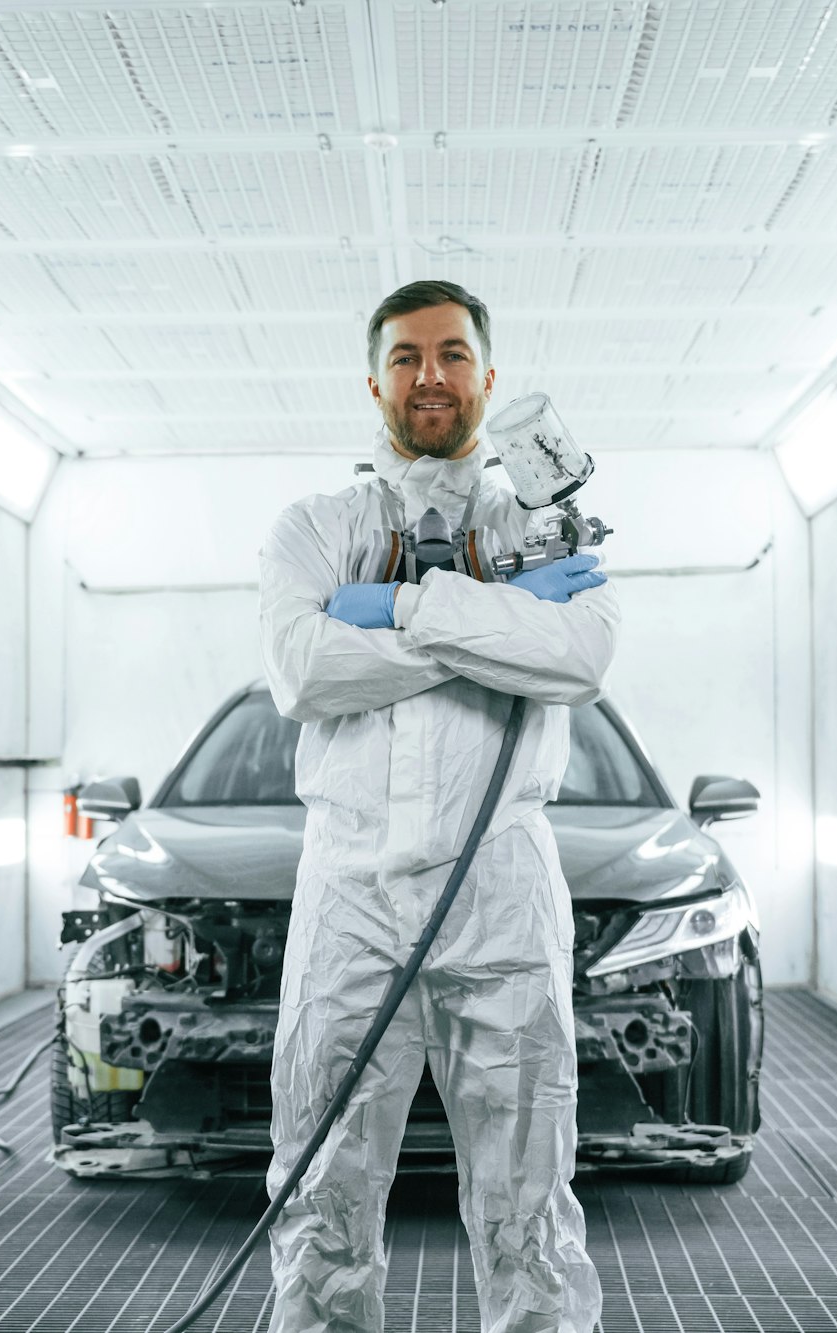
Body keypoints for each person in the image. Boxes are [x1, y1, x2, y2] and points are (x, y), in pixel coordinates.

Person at [258, 279, 617, 1333]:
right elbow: (302, 670)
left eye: (452, 355)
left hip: (499, 890)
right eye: (407, 357)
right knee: (322, 1188)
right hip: (349, 892)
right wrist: (484, 616)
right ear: (373, 379)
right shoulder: (310, 529)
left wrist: (396, 609)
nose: (430, 376)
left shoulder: (544, 526)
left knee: (528, 1201)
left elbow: (580, 654)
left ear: (487, 377)